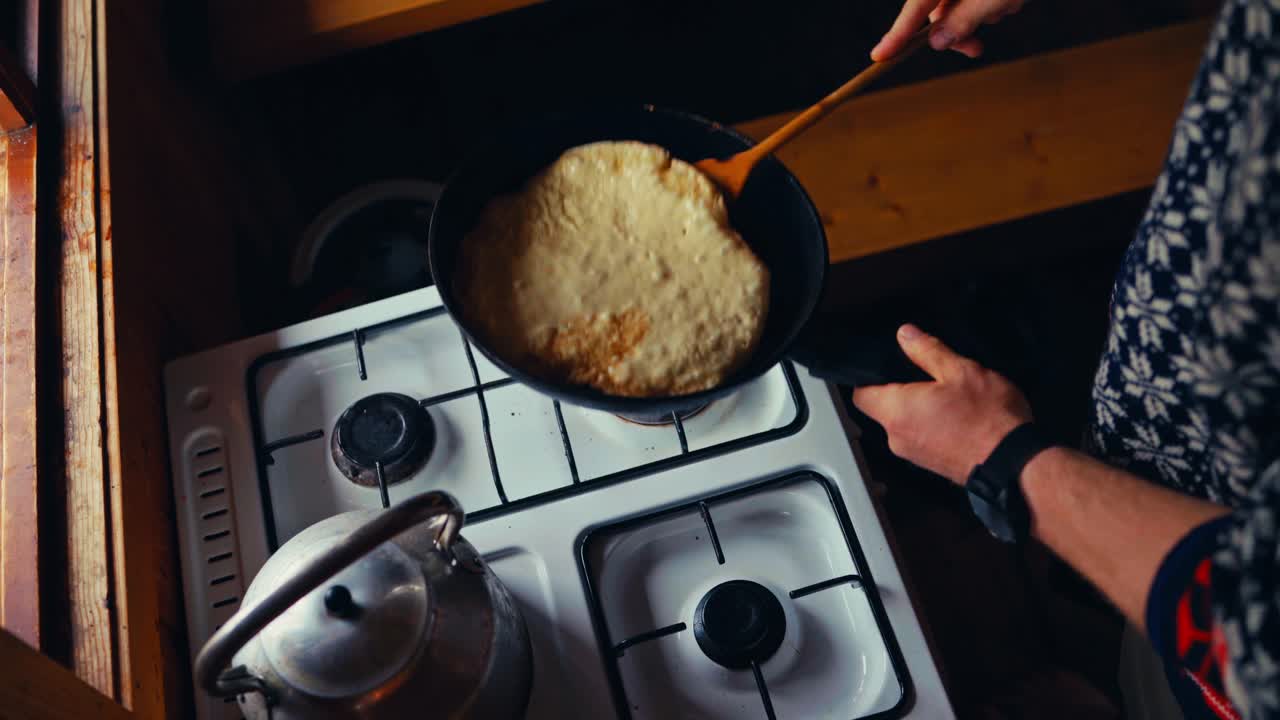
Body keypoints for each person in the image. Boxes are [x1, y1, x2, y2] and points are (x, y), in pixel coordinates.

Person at [860, 2, 1279, 719]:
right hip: (1202, 404)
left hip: (1231, 666)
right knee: (1141, 664)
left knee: (1172, 688)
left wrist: (1003, 458)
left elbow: (1253, 634)